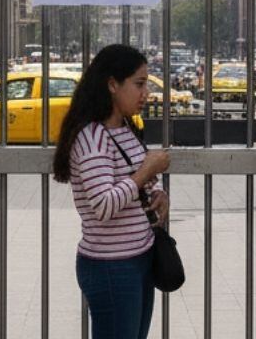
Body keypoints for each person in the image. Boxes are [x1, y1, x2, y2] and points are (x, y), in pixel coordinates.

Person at [52, 44, 170, 339]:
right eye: (139, 84)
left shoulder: (124, 128)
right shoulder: (93, 137)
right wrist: (147, 170)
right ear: (112, 84)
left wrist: (157, 192)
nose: (146, 93)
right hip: (111, 266)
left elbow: (129, 184)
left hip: (139, 256)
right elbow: (103, 205)